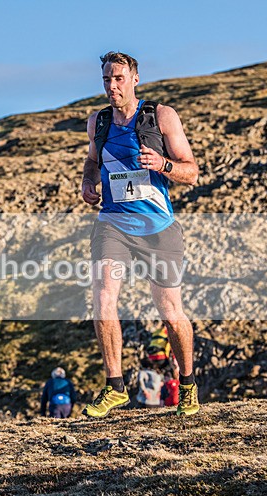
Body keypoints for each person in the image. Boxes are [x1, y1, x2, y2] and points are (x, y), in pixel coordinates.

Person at [80, 51, 201, 418]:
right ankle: (115, 386)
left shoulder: (160, 116)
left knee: (169, 310)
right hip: (112, 224)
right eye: (106, 80)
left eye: (118, 78)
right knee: (102, 298)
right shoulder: (97, 122)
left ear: (135, 79)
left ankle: (189, 384)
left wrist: (162, 164)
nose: (112, 86)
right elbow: (92, 161)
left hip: (157, 228)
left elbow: (191, 172)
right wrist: (88, 182)